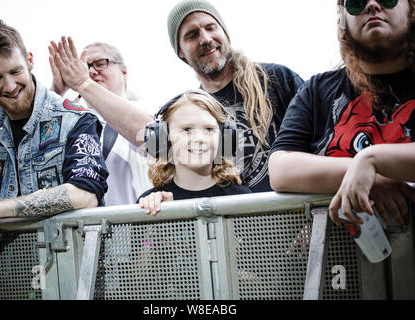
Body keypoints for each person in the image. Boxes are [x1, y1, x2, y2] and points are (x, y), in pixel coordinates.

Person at [269, 0, 415, 226]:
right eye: (356, 2)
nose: (372, 5)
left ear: (411, 8)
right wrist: (367, 177)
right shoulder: (317, 90)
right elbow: (280, 168)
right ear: (343, 19)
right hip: (341, 257)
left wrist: (372, 160)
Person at [0, 20, 108, 235]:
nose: (10, 86)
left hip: (71, 264)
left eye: (15, 71)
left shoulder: (77, 120)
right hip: (1, 267)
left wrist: (1, 210)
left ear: (30, 61)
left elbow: (85, 193)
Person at [166, 0, 304, 193]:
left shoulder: (277, 79)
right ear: (181, 52)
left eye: (210, 27)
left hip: (297, 214)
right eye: (192, 35)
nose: (205, 39)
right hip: (235, 221)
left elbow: (323, 142)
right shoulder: (193, 112)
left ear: (225, 33)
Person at [49, 41, 152, 206]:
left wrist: (83, 83)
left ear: (123, 71)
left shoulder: (147, 108)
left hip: (143, 224)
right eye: (84, 67)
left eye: (99, 64)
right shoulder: (70, 117)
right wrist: (55, 92)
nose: (90, 71)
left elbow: (153, 139)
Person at [138, 90, 252, 215]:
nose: (199, 139)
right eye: (187, 129)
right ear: (163, 138)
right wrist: (164, 216)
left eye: (209, 129)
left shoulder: (242, 200)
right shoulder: (152, 204)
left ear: (224, 138)